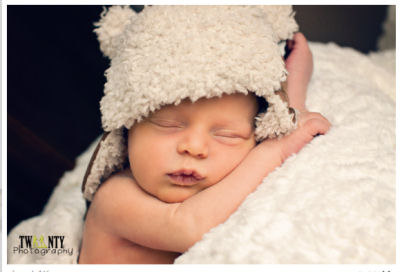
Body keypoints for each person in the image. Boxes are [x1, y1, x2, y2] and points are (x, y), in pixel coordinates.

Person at [78, 24, 330, 263]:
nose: (194, 147)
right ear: (128, 128)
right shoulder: (114, 199)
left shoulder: (227, 180)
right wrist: (277, 150)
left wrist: (292, 100)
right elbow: (189, 226)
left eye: (227, 135)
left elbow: (275, 134)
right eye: (168, 125)